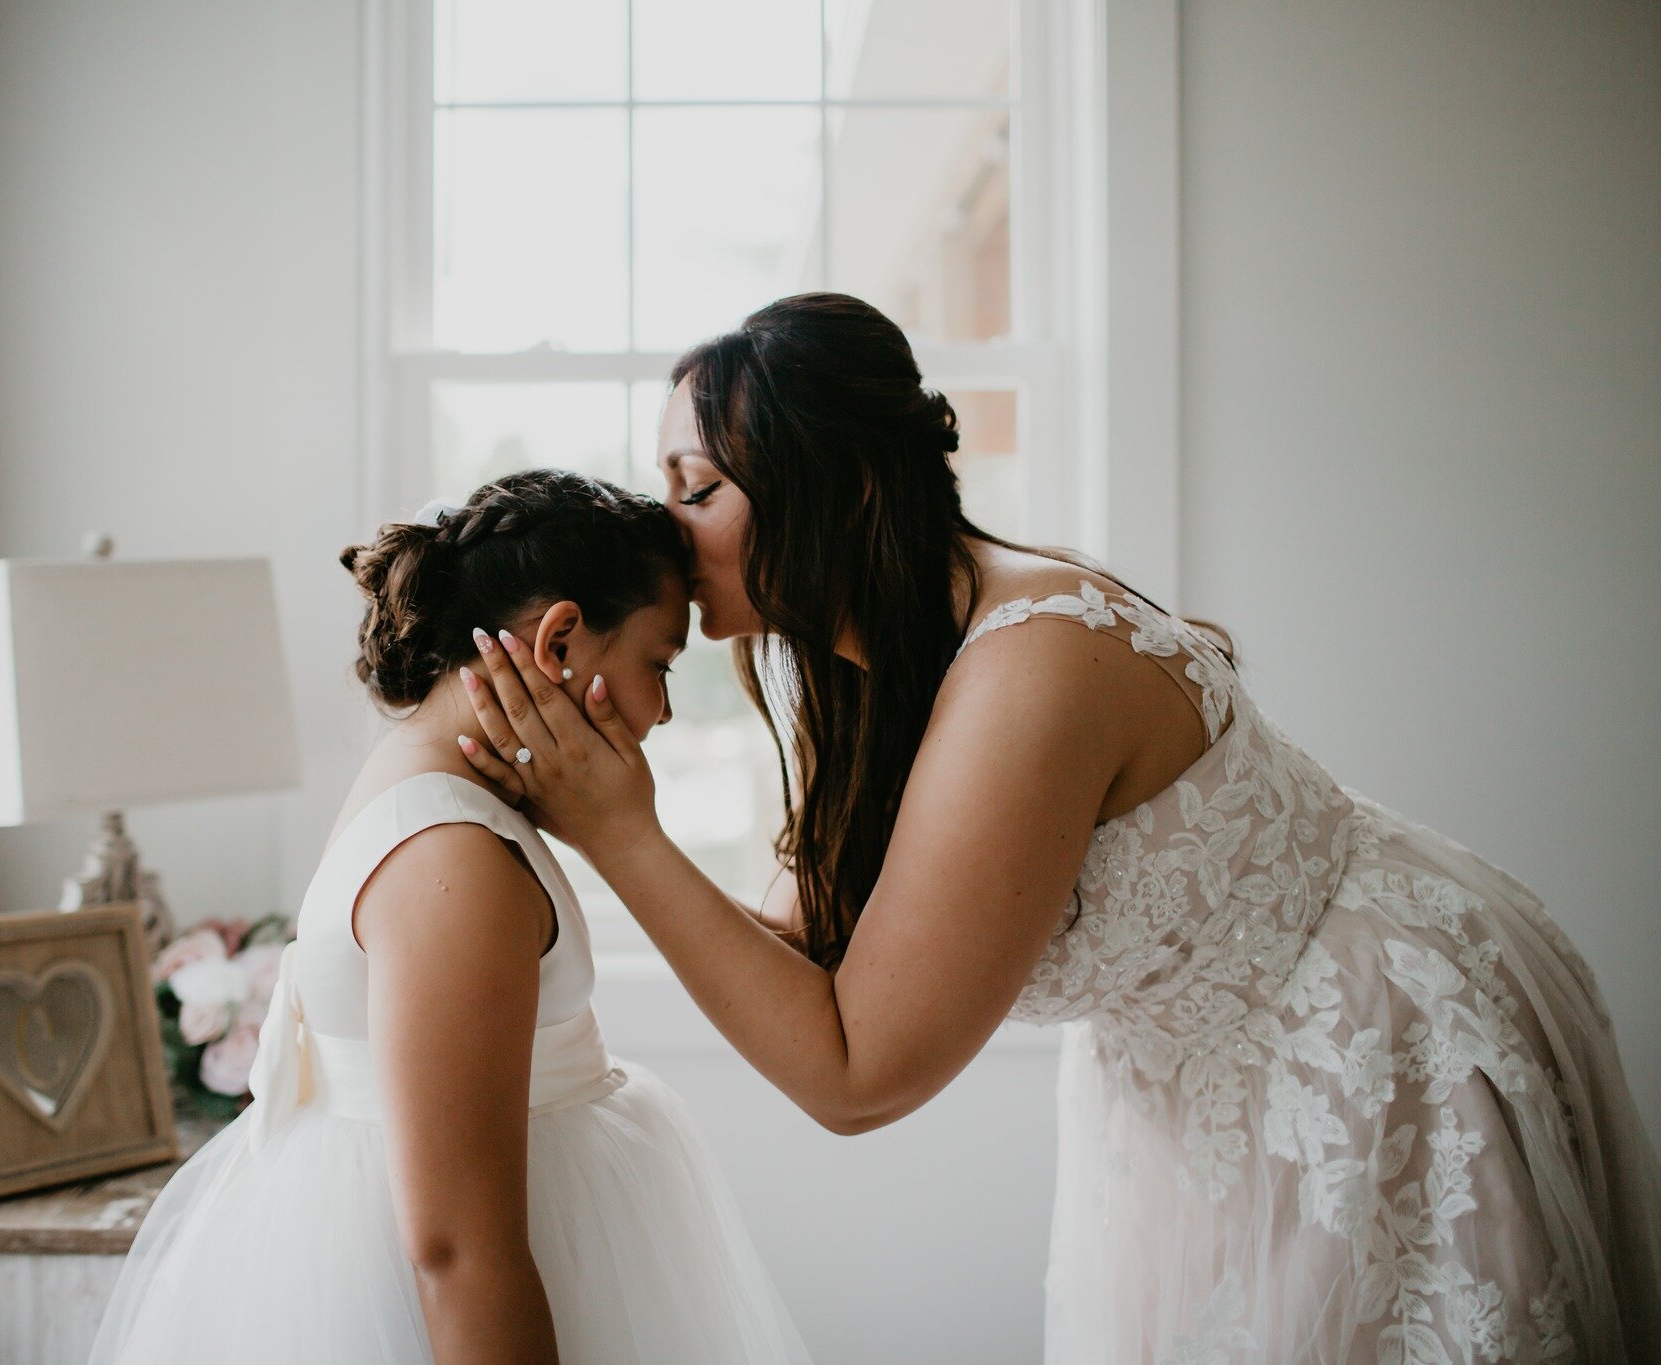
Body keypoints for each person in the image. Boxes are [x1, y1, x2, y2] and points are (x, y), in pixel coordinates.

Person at [455, 294, 1661, 1361]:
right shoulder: (868, 672)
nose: (670, 532)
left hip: (1357, 1042)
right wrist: (587, 803)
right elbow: (806, 951)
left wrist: (621, 836)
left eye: (700, 489)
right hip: (1179, 1088)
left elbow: (854, 1072)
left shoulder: (1029, 670)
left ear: (847, 483)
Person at [89, 470, 810, 1364]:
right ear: (561, 641)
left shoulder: (432, 783)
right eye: (658, 664)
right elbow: (459, 1252)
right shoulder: (452, 858)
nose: (661, 709)